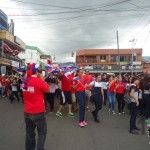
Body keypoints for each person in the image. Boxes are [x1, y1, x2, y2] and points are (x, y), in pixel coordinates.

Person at [23, 63, 50, 150]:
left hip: (27, 111)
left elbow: (24, 94)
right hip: (38, 111)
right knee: (42, 131)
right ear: (37, 72)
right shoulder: (39, 81)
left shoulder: (25, 81)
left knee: (29, 133)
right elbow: (48, 90)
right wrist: (42, 80)